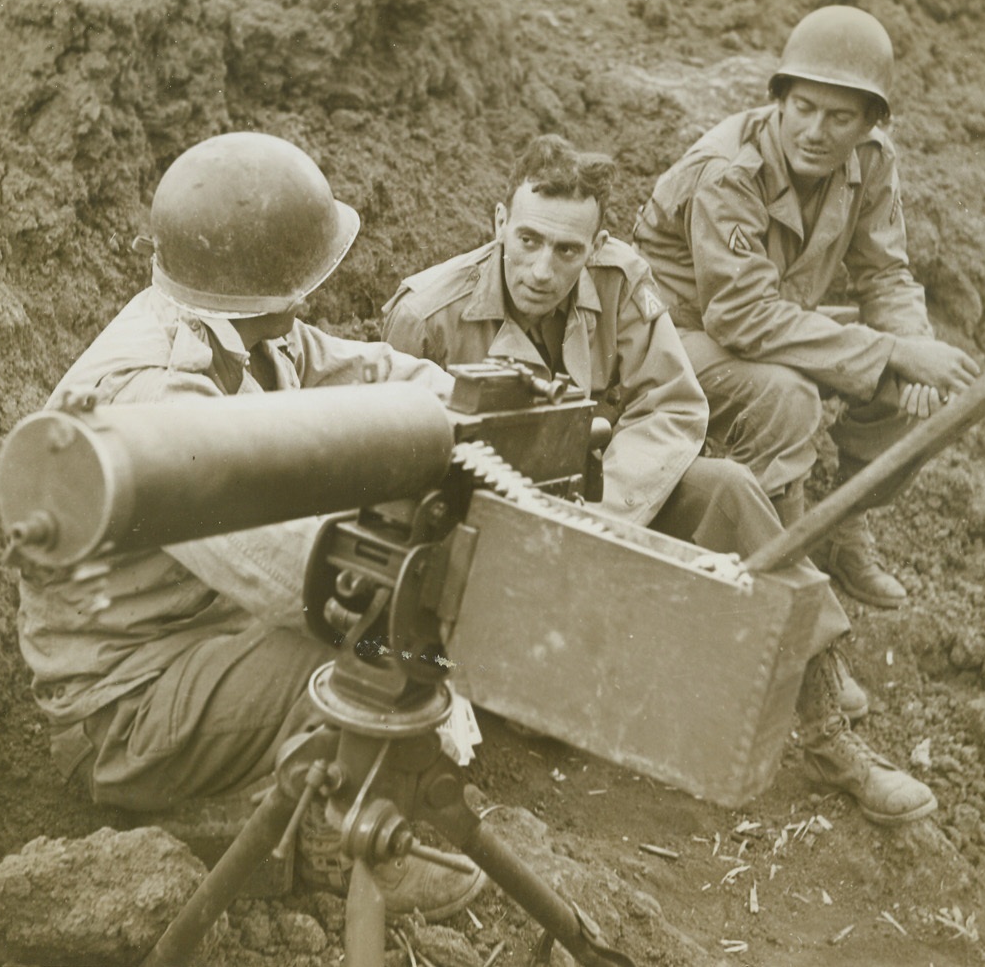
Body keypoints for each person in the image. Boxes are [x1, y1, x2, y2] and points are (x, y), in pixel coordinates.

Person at [382, 133, 937, 825]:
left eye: (567, 251)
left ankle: (828, 733)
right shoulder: (427, 314)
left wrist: (604, 514)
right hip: (483, 544)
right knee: (544, 721)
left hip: (599, 507)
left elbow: (672, 405)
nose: (542, 270)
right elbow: (398, 472)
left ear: (596, 244)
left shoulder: (618, 281)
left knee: (730, 490)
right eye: (527, 240)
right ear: (498, 223)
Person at [13, 131, 485, 919]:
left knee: (392, 626)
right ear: (285, 284)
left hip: (200, 644)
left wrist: (484, 408)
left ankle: (318, 787)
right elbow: (297, 576)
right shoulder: (154, 398)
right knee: (368, 632)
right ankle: (346, 844)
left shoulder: (247, 330)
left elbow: (371, 377)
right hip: (125, 708)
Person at [633, 5, 981, 610]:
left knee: (915, 395)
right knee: (788, 396)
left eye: (840, 116)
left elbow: (886, 273)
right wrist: (893, 351)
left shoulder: (872, 160)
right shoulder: (727, 171)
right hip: (669, 338)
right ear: (780, 99)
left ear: (870, 122)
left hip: (769, 323)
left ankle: (844, 529)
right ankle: (782, 592)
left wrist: (909, 345)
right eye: (803, 108)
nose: (816, 131)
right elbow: (737, 315)